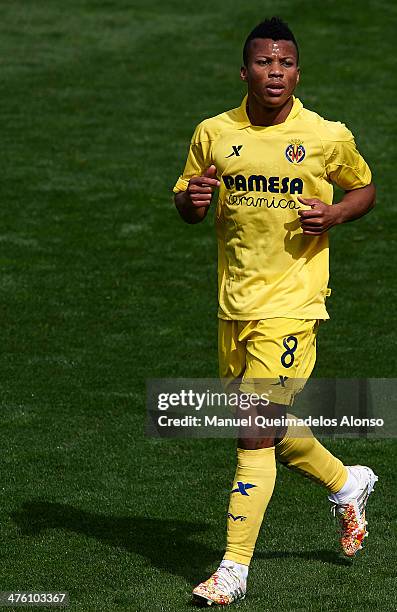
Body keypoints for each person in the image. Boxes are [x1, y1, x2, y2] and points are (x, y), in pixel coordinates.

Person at [173, 16, 378, 607]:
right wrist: (193, 199)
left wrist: (337, 215)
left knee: (254, 433)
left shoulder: (324, 135)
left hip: (293, 306)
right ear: (245, 71)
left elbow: (363, 187)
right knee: (279, 435)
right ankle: (347, 483)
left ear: (297, 71)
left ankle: (233, 569)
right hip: (234, 306)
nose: (276, 72)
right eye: (265, 62)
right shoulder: (214, 133)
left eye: (285, 63)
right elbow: (188, 201)